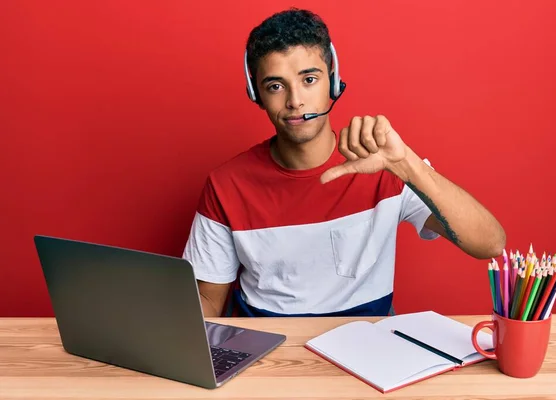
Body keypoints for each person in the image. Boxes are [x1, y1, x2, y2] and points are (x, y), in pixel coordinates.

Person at [182, 8, 506, 318]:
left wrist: (406, 164)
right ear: (257, 93)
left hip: (365, 347)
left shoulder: (386, 165)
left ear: (333, 82)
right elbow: (209, 300)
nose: (295, 101)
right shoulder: (226, 185)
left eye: (309, 79)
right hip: (269, 352)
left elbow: (490, 244)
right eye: (276, 86)